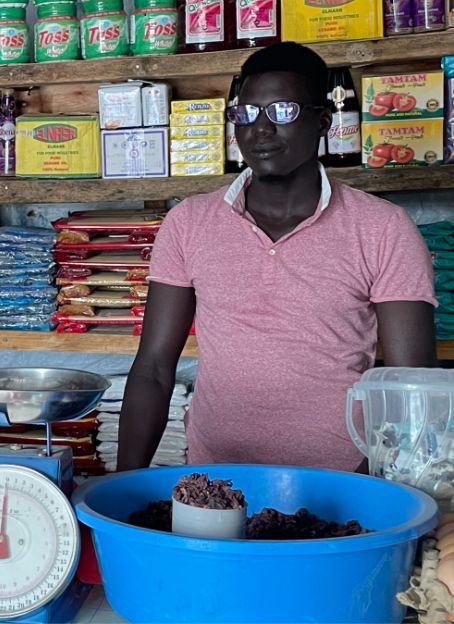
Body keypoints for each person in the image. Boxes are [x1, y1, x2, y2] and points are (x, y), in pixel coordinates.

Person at [117, 43, 437, 473]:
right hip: (216, 482)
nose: (260, 130)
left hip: (342, 484)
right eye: (245, 114)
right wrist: (119, 486)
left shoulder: (382, 227)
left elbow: (410, 386)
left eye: (282, 111)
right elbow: (153, 369)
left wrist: (369, 488)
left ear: (322, 121)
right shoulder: (188, 222)